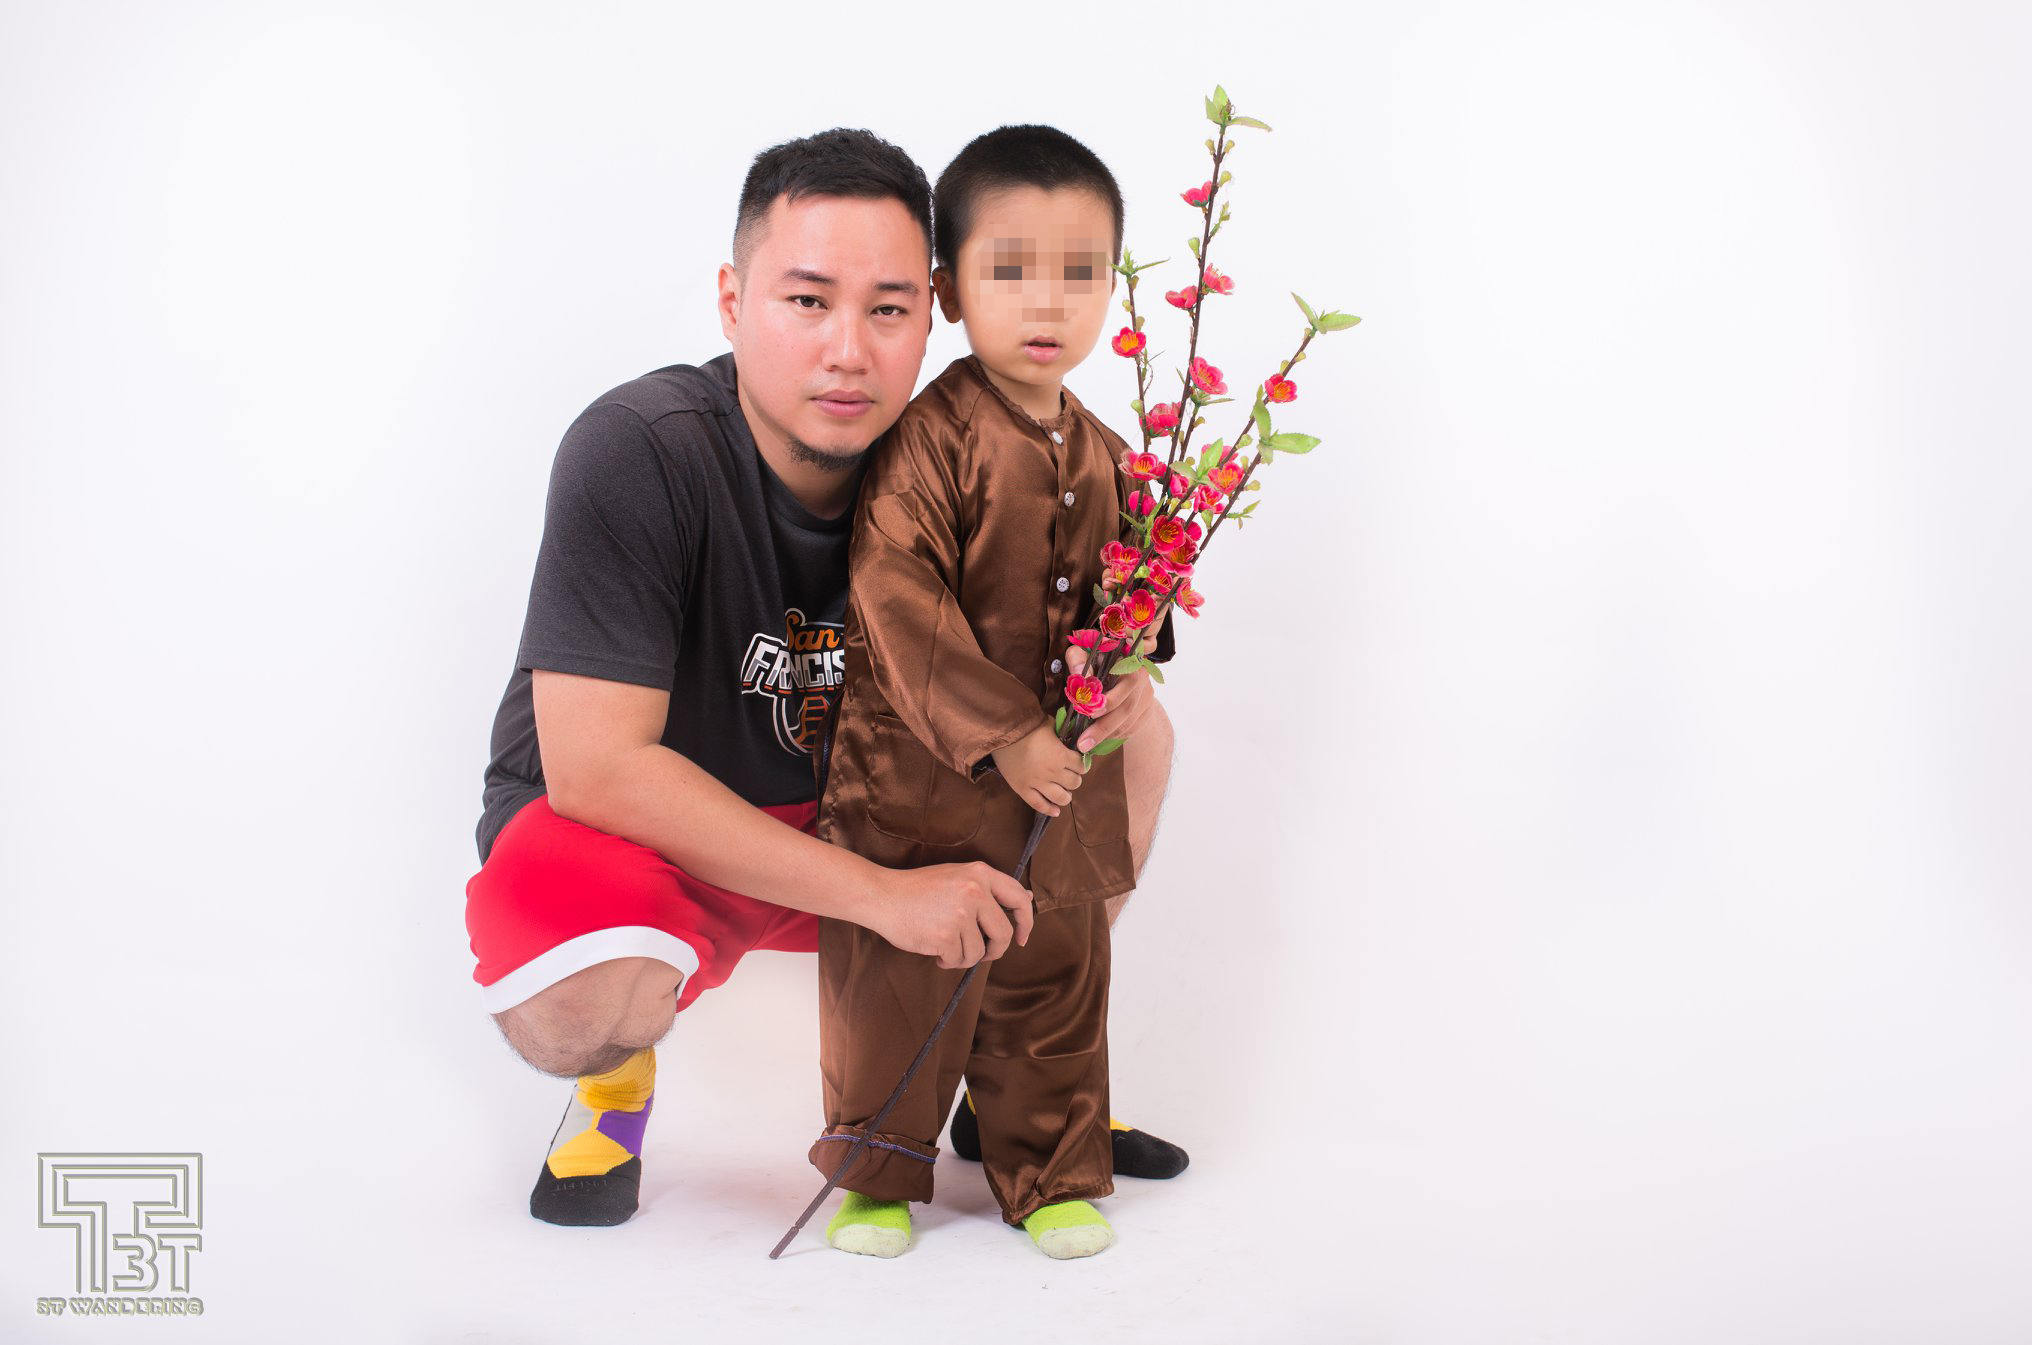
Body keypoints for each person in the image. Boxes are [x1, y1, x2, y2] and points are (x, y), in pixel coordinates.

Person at [463, 127, 1183, 1229]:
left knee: (1133, 745)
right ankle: (611, 1093)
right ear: (730, 298)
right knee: (580, 1001)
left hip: (865, 814)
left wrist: (1115, 679)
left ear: (934, 309)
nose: (848, 349)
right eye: (807, 301)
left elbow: (1071, 637)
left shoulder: (963, 456)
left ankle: (1014, 1084)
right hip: (647, 827)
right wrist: (886, 901)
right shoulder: (640, 448)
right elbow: (598, 765)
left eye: (887, 308)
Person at [809, 125, 1158, 1260]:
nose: (1045, 300)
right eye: (1009, 270)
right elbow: (893, 597)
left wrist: (1128, 678)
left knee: (1053, 973)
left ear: (1115, 282)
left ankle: (1048, 1169)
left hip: (1061, 789)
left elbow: (1138, 594)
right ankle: (874, 1173)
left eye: (1080, 270)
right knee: (902, 984)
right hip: (924, 786)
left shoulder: (1111, 452)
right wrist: (1002, 731)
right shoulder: (929, 443)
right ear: (953, 290)